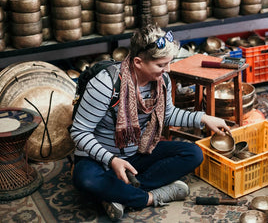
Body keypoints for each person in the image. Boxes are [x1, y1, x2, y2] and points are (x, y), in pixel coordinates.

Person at [70, 24, 231, 221]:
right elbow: (79, 132)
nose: (168, 70)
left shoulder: (162, 80)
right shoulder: (105, 84)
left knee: (193, 154)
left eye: (168, 63)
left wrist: (203, 118)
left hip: (136, 152)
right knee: (85, 180)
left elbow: (168, 115)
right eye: (161, 65)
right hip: (99, 158)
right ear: (138, 62)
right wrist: (112, 160)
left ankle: (117, 193)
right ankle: (148, 197)